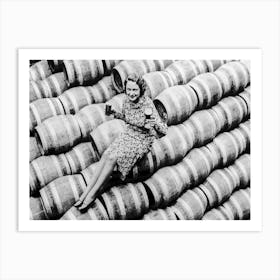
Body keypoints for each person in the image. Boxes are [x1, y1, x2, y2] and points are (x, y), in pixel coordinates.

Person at [75, 73, 168, 211]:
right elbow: (128, 119)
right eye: (129, 89)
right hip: (129, 132)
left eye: (134, 90)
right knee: (106, 154)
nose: (131, 93)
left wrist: (155, 122)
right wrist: (115, 114)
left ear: (141, 90)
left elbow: (160, 130)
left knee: (112, 158)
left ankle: (91, 195)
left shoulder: (147, 104)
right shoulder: (126, 101)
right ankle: (86, 192)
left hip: (142, 139)